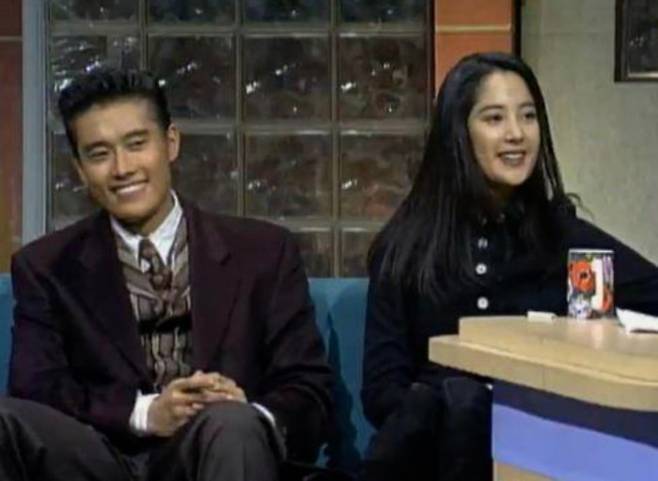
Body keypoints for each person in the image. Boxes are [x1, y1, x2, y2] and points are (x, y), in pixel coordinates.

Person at [1, 68, 334, 481]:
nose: (122, 168)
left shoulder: (264, 251)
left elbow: (307, 389)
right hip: (100, 462)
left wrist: (249, 414)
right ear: (80, 169)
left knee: (230, 423)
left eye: (136, 144)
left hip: (220, 449)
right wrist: (145, 414)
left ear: (170, 143)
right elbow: (35, 390)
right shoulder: (45, 266)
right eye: (100, 154)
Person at [360, 52, 658, 481]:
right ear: (458, 133)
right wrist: (443, 407)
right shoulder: (408, 245)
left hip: (538, 451)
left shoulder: (565, 240)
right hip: (427, 453)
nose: (516, 134)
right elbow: (381, 390)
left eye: (528, 116)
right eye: (495, 118)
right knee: (459, 404)